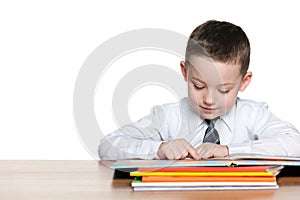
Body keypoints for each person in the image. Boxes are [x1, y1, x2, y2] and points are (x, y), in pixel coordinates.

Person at [98, 20, 300, 160]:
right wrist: (159, 149)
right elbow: (109, 145)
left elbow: (295, 143)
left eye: (224, 90)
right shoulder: (168, 116)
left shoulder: (253, 115)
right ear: (185, 72)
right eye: (198, 86)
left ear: (244, 82)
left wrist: (229, 151)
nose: (209, 99)